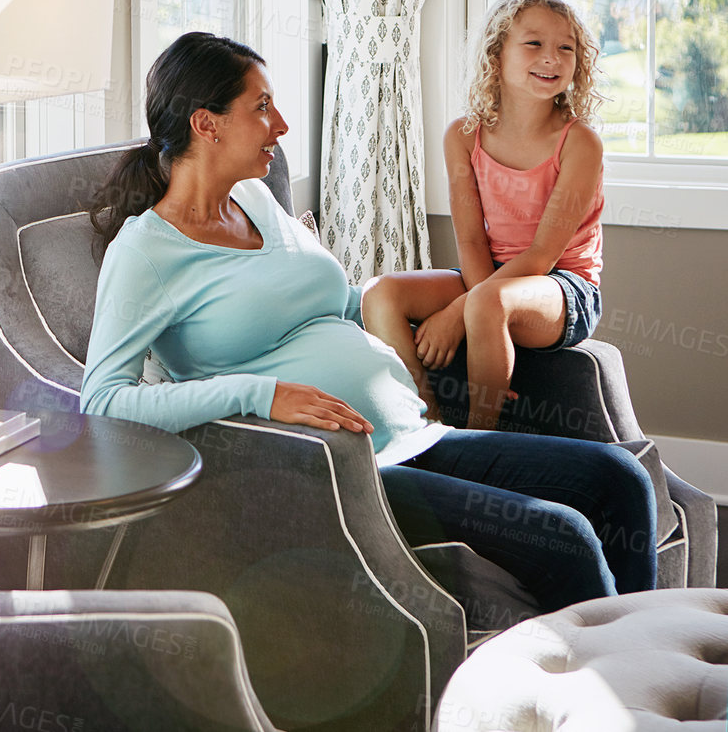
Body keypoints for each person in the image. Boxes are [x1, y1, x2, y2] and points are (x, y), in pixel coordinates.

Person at [80, 31, 653, 613]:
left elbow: (329, 305)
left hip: (413, 432)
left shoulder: (251, 197)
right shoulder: (146, 253)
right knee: (563, 537)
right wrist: (261, 395)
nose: (280, 124)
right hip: (341, 472)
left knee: (618, 479)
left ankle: (660, 665)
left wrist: (449, 310)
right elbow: (103, 401)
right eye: (261, 108)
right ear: (207, 124)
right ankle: (595, 692)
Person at [360, 0, 605, 429]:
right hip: (489, 274)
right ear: (496, 55)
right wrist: (475, 300)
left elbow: (542, 257)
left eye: (565, 48)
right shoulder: (463, 135)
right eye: (534, 43)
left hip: (564, 288)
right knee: (381, 293)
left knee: (487, 301)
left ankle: (480, 437)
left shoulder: (579, 143)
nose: (551, 58)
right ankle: (425, 425)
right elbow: (471, 239)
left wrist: (461, 311)